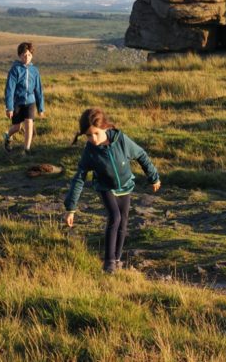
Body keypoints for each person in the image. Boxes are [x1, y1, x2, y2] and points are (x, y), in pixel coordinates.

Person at [64, 107, 161, 273]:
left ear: (105, 128)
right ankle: (108, 263)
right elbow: (79, 178)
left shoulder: (121, 140)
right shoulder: (90, 151)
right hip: (105, 186)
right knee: (114, 217)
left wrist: (153, 177)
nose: (93, 139)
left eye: (96, 134)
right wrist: (71, 208)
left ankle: (117, 259)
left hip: (125, 186)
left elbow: (141, 155)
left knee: (123, 220)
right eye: (88, 135)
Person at [4, 41, 45, 156]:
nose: (27, 57)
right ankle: (7, 136)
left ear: (32, 56)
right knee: (16, 127)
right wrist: (9, 108)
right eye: (24, 55)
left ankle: (26, 149)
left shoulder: (35, 71)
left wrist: (41, 108)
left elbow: (38, 90)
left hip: (30, 102)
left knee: (29, 122)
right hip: (17, 102)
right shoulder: (15, 70)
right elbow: (9, 90)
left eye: (29, 55)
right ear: (20, 55)